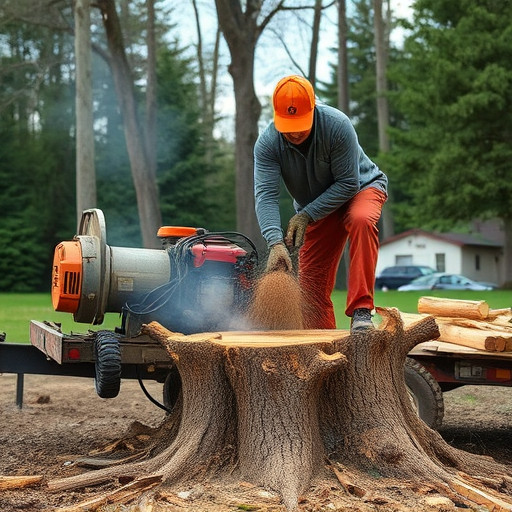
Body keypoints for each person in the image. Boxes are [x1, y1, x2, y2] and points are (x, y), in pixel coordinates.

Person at [253, 75, 388, 333]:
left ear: (313, 108)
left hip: (361, 188)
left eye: (300, 124)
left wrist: (306, 215)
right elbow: (265, 196)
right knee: (312, 290)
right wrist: (275, 242)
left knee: (361, 219)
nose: (294, 132)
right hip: (315, 209)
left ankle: (361, 311)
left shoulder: (337, 125)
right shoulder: (267, 144)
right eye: (288, 125)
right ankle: (324, 348)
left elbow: (348, 183)